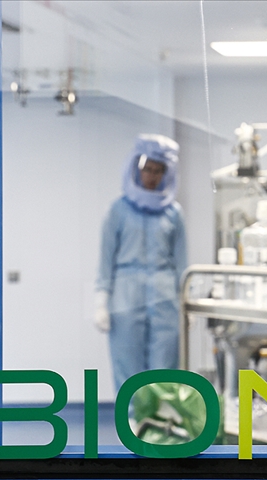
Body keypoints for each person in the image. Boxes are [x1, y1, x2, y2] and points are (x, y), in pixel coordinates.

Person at [94, 134, 187, 392]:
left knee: (165, 366)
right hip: (125, 296)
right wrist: (101, 301)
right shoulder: (118, 210)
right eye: (148, 169)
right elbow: (106, 259)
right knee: (127, 364)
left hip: (165, 296)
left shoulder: (174, 214)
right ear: (136, 168)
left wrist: (185, 302)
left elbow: (182, 262)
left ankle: (161, 414)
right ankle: (131, 413)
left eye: (158, 171)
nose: (152, 176)